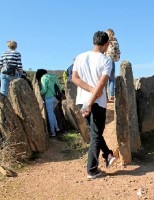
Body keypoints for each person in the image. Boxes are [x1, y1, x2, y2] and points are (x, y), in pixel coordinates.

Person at [72, 30, 117, 179]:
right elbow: (102, 83)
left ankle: (107, 154)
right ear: (106, 44)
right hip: (97, 102)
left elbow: (74, 78)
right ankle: (92, 170)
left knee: (94, 133)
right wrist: (91, 100)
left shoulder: (79, 57)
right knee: (96, 135)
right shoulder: (106, 61)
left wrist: (88, 96)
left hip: (81, 100)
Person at [39, 70, 62, 137]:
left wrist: (37, 93)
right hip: (55, 98)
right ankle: (57, 128)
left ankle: (53, 132)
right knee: (52, 113)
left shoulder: (44, 78)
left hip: (49, 98)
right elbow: (59, 87)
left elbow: (44, 90)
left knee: (50, 115)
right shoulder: (54, 76)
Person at [105, 29, 120, 102]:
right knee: (111, 79)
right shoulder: (115, 42)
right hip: (112, 61)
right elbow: (118, 52)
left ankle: (104, 96)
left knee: (104, 78)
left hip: (104, 60)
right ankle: (111, 96)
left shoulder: (105, 41)